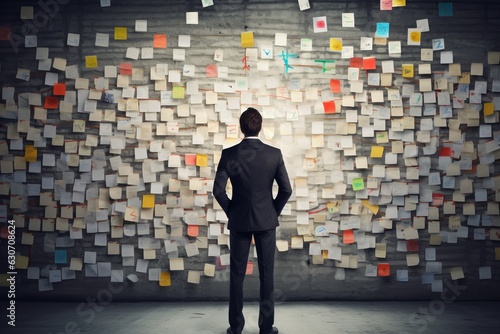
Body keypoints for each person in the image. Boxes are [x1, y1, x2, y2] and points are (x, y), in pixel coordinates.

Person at [213, 107, 292, 334]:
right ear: (260, 126)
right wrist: (271, 213)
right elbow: (286, 190)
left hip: (239, 221)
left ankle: (235, 328)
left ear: (241, 127)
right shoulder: (274, 154)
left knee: (236, 275)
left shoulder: (229, 154)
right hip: (266, 221)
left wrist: (233, 212)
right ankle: (266, 328)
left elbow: (218, 191)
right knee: (267, 275)